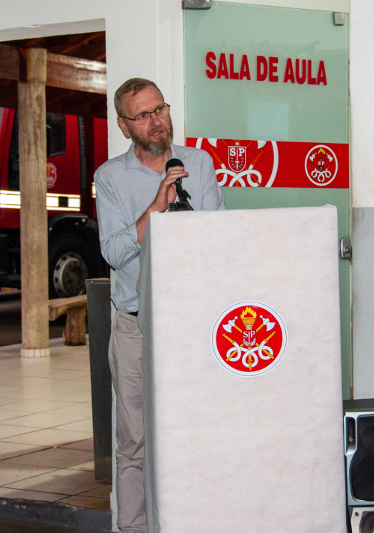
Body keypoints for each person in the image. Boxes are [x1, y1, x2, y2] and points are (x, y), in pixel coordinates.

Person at [94, 78, 224, 532]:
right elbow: (112, 251)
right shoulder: (110, 178)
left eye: (160, 109)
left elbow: (217, 240)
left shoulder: (200, 164)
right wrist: (155, 208)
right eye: (143, 115)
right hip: (136, 328)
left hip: (194, 324)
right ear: (123, 125)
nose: (156, 122)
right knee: (136, 442)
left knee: (194, 432)